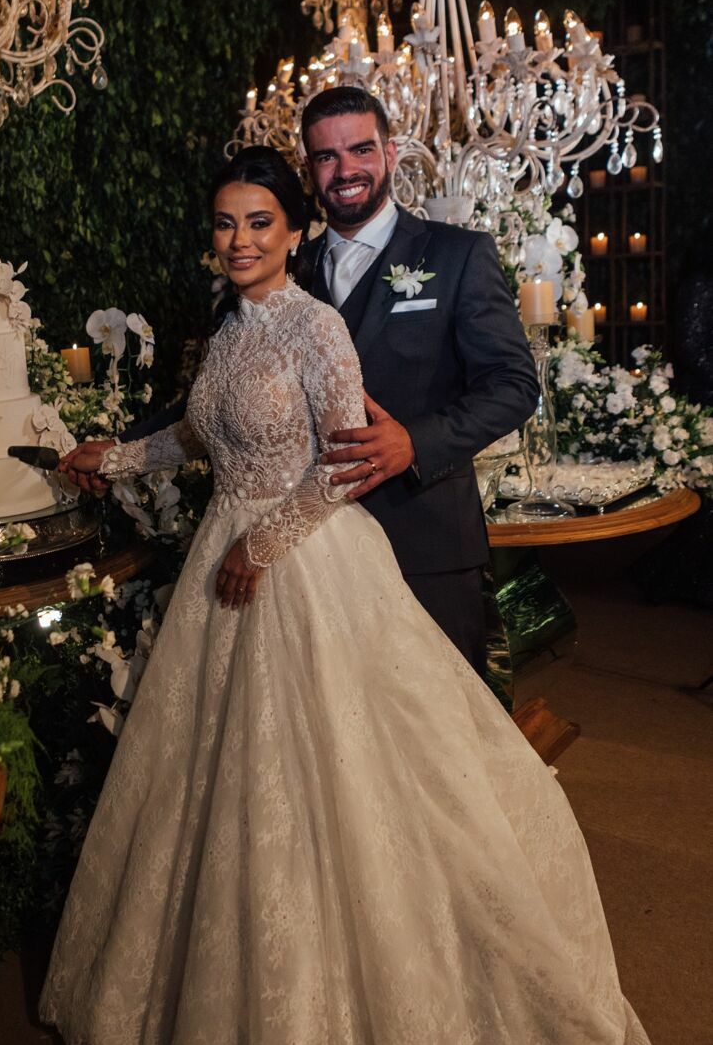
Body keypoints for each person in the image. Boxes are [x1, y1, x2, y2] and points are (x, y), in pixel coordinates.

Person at [40, 147, 651, 1045]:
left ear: (291, 231)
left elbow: (339, 459)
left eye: (258, 224)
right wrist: (117, 456)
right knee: (220, 793)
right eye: (225, 224)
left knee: (347, 787)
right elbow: (199, 431)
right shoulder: (228, 329)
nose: (238, 241)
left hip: (306, 570)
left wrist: (264, 543)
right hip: (225, 574)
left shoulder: (318, 327)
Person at [64, 86, 539, 675]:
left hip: (424, 536)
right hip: (304, 555)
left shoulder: (457, 255)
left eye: (360, 150)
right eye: (325, 157)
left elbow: (515, 383)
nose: (345, 171)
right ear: (309, 169)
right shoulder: (282, 266)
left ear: (391, 154)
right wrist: (121, 452)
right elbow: (222, 398)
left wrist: (416, 442)